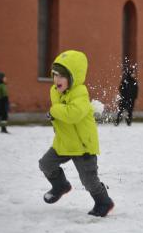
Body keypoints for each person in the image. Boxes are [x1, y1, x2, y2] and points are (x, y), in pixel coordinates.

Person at [39, 50, 114, 217]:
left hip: (82, 146)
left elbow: (73, 114)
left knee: (89, 181)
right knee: (45, 164)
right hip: (64, 142)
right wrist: (55, 114)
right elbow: (61, 112)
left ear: (73, 77)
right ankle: (60, 185)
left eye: (62, 76)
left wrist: (54, 110)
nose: (56, 80)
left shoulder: (80, 93)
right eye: (54, 75)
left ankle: (104, 202)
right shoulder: (55, 91)